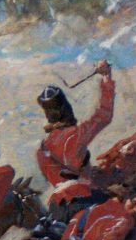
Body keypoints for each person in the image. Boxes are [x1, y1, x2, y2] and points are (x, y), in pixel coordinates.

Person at [33, 67, 116, 218]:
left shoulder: (42, 149)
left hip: (57, 207)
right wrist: (106, 76)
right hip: (83, 200)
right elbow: (104, 115)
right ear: (67, 108)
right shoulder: (75, 135)